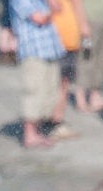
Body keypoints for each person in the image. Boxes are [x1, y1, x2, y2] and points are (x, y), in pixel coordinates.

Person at [10, 0, 66, 148]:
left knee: (49, 91)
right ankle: (29, 135)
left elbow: (58, 7)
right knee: (33, 92)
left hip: (50, 50)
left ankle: (38, 131)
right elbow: (39, 18)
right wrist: (51, 10)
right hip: (32, 52)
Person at [49, 0, 87, 139]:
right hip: (55, 41)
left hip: (70, 40)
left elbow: (77, 6)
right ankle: (52, 122)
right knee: (55, 84)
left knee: (63, 84)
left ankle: (56, 121)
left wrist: (83, 28)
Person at [76, 0, 103, 112]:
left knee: (100, 60)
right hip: (89, 21)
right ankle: (81, 97)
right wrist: (82, 23)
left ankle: (94, 95)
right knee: (86, 58)